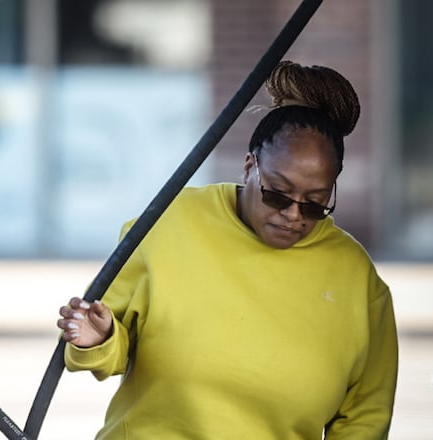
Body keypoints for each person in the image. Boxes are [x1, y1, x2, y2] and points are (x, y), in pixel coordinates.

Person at [56, 60, 398, 439]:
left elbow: (365, 416)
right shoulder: (169, 223)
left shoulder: (356, 279)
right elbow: (109, 347)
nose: (293, 215)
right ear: (250, 166)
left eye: (315, 203)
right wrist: (99, 337)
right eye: (277, 194)